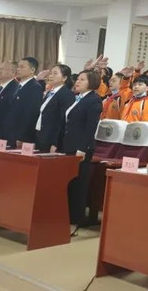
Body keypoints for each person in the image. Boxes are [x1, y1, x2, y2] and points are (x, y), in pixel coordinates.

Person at [60, 69, 103, 233]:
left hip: (81, 149)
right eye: (78, 79)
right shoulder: (78, 98)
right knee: (68, 184)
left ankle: (74, 221)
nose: (77, 81)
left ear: (92, 83)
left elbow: (90, 129)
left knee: (78, 185)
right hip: (68, 146)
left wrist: (82, 148)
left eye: (82, 79)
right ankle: (65, 217)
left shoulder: (94, 101)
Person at [5, 57, 44, 148]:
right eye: (18, 66)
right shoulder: (17, 86)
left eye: (22, 67)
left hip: (20, 136)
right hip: (8, 132)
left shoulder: (35, 87)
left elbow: (31, 114)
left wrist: (23, 137)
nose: (18, 69)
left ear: (32, 70)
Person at [35, 64, 74, 153]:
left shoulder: (66, 94)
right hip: (41, 135)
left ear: (64, 78)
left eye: (55, 73)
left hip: (51, 138)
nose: (51, 76)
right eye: (51, 73)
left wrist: (56, 143)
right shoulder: (50, 92)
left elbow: (63, 121)